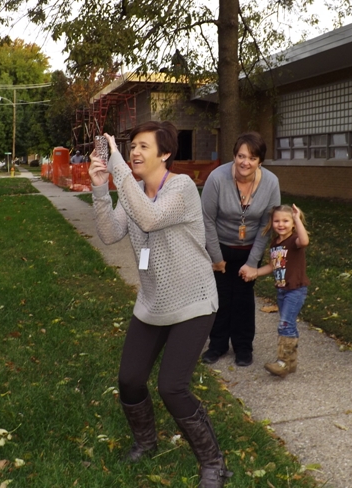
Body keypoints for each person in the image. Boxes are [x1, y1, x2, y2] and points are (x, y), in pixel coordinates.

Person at [88, 121, 232, 487]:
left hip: (193, 301)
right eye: (132, 146)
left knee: (172, 387)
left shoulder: (182, 188)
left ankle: (214, 464)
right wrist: (100, 188)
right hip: (153, 302)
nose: (134, 152)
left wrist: (117, 165)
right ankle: (146, 442)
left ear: (165, 154)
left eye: (143, 147)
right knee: (130, 380)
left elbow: (150, 217)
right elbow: (109, 233)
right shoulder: (135, 190)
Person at [200, 132, 280, 367]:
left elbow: (267, 225)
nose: (246, 162)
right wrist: (216, 258)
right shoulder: (217, 178)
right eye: (241, 156)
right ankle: (217, 345)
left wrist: (253, 263)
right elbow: (207, 220)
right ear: (234, 156)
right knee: (221, 297)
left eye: (252, 158)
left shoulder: (271, 183)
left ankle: (243, 347)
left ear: (260, 161)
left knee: (243, 299)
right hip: (220, 246)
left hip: (250, 248)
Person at [244, 204, 310, 377]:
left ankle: (283, 362)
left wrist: (297, 219)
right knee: (288, 323)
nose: (281, 224)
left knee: (285, 324)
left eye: (286, 221)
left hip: (295, 289)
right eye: (277, 221)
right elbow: (273, 266)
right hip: (282, 290)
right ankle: (291, 362)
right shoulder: (275, 243)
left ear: (293, 224)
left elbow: (304, 241)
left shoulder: (294, 240)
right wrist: (255, 272)